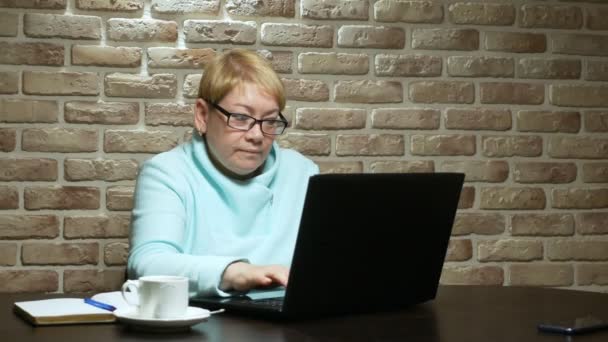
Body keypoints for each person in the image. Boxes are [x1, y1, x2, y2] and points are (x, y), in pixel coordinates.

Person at [127, 49, 319, 298]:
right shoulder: (166, 173)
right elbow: (148, 264)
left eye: (270, 121)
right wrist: (233, 272)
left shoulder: (303, 172)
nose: (257, 135)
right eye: (240, 118)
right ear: (202, 115)